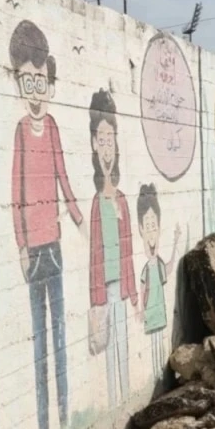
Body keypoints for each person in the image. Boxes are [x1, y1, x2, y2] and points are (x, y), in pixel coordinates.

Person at [9, 20, 84, 429]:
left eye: (41, 82)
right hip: (33, 250)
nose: (36, 92)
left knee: (60, 334)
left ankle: (64, 413)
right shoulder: (21, 131)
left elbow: (63, 176)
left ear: (51, 85)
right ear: (19, 83)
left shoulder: (53, 127)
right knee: (38, 339)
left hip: (53, 244)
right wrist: (21, 244)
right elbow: (16, 191)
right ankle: (41, 427)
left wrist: (77, 218)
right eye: (28, 82)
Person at [88, 89, 138, 405]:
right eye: (102, 140)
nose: (107, 147)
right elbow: (94, 254)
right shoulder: (97, 202)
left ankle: (124, 398)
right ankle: (115, 403)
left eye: (111, 140)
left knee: (123, 345)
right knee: (108, 351)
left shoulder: (121, 200)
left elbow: (129, 251)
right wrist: (95, 299)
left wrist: (133, 293)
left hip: (120, 287)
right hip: (105, 290)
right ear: (94, 144)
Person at [137, 184, 181, 380]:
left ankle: (160, 375)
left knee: (159, 342)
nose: (151, 232)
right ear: (141, 230)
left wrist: (176, 242)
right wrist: (139, 308)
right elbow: (142, 286)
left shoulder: (159, 263)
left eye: (154, 226)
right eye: (148, 227)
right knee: (153, 341)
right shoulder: (146, 267)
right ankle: (156, 376)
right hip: (151, 309)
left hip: (159, 309)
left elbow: (169, 268)